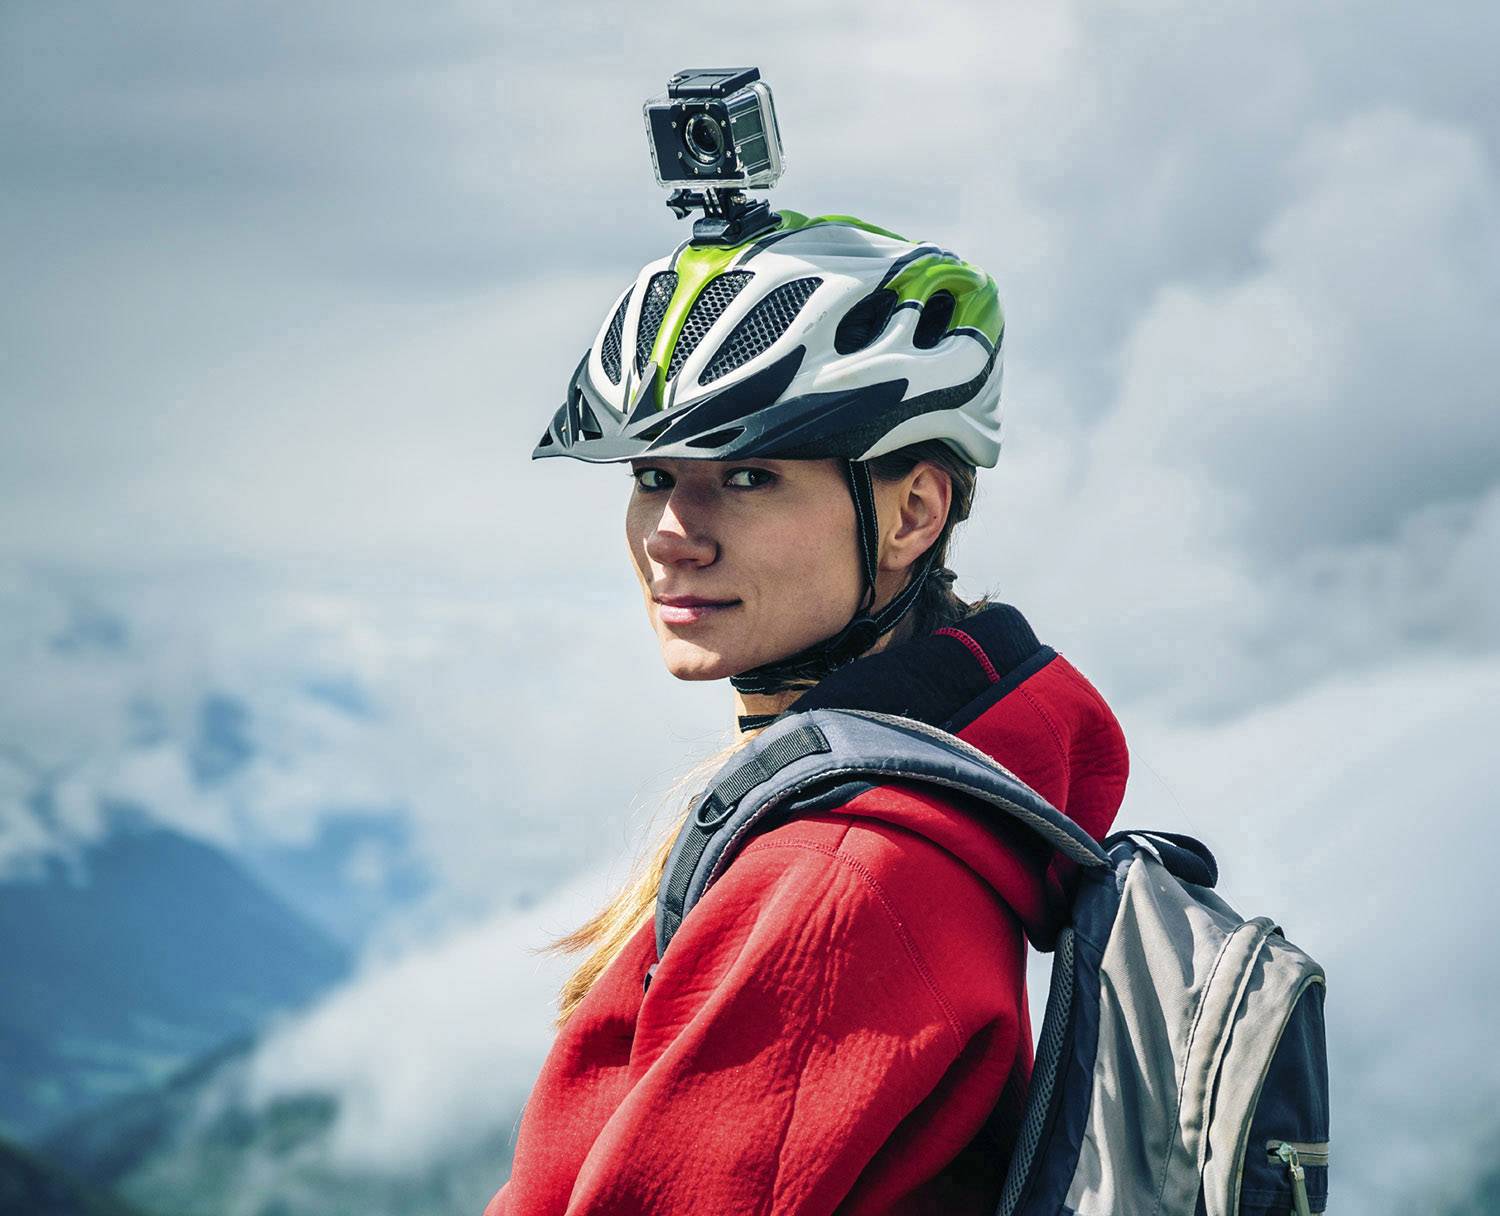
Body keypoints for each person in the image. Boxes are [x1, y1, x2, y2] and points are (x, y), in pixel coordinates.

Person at [483, 212, 1129, 1215]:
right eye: (652, 476)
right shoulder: (895, 812)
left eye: (748, 476)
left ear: (913, 513)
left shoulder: (837, 880)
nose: (671, 534)